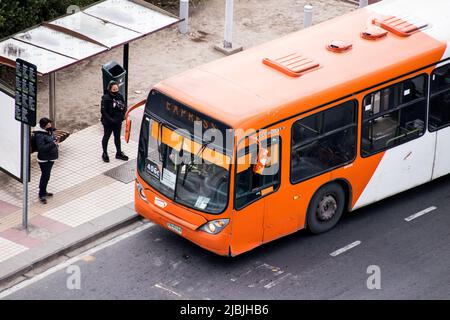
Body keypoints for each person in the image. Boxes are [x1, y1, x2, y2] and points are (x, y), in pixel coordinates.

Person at [100, 81, 129, 162]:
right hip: (108, 122)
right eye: (113, 89)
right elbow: (103, 111)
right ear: (110, 89)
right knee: (106, 137)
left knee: (117, 137)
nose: (115, 91)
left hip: (117, 121)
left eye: (116, 89)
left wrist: (122, 116)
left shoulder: (120, 96)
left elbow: (124, 106)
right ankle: (105, 153)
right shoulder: (105, 98)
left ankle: (119, 153)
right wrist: (111, 120)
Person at [34, 117, 59, 204]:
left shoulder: (48, 131)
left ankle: (44, 191)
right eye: (48, 124)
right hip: (44, 159)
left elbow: (52, 138)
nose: (50, 125)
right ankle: (41, 194)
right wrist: (53, 143)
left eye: (50, 123)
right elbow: (41, 148)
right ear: (44, 126)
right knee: (45, 176)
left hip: (51, 157)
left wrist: (54, 141)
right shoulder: (39, 135)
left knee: (46, 176)